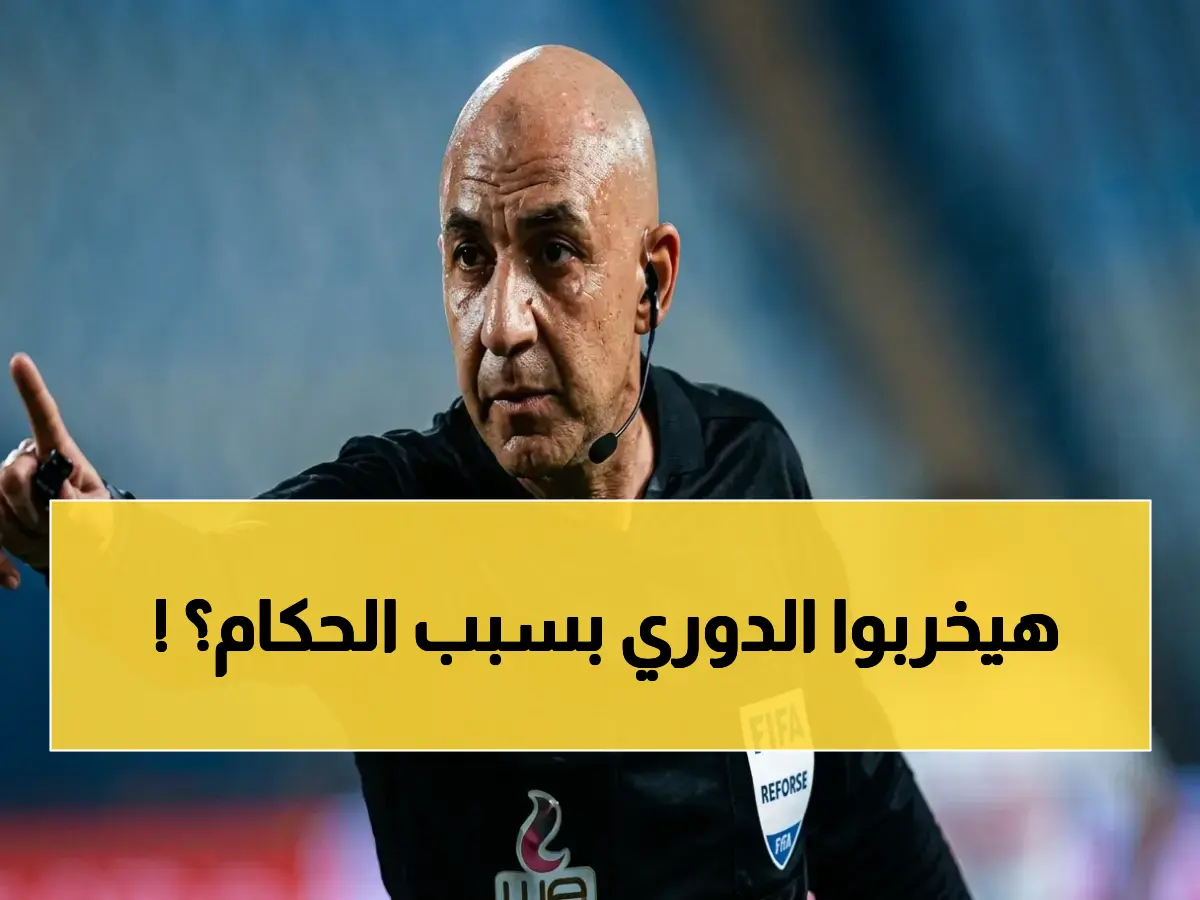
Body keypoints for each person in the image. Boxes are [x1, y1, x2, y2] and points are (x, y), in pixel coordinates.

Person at [0, 45, 969, 900]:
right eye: (471, 258)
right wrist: (92, 540)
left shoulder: (747, 464)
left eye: (555, 254)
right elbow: (201, 588)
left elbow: (861, 802)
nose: (502, 324)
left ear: (653, 282)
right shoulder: (392, 523)